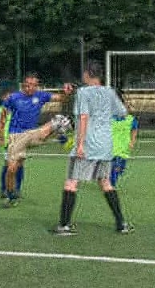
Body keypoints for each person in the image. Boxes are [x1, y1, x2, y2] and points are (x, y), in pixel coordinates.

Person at [54, 61, 130, 235]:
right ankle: (121, 223)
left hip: (88, 143)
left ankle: (64, 224)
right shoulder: (109, 92)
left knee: (72, 181)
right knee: (105, 182)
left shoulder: (83, 92)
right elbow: (122, 112)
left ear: (87, 74)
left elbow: (83, 117)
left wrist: (79, 144)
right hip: (105, 145)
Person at [1, 73, 74, 208]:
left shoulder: (41, 95)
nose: (31, 88)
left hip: (33, 134)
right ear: (23, 85)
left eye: (34, 85)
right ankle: (10, 194)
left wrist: (66, 92)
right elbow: (4, 111)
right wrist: (1, 133)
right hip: (16, 136)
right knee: (12, 168)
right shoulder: (14, 97)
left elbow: (61, 99)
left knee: (60, 120)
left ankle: (62, 138)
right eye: (28, 85)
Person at [110, 108, 139, 188]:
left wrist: (132, 141)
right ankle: (112, 183)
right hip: (112, 147)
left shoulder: (130, 119)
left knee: (120, 168)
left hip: (124, 148)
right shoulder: (110, 118)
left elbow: (134, 129)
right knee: (115, 165)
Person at [0, 89, 13, 201]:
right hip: (7, 140)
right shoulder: (2, 110)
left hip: (17, 139)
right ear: (3, 98)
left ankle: (15, 188)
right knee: (8, 165)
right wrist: (1, 137)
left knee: (19, 165)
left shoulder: (15, 109)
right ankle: (4, 189)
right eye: (8, 97)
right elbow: (0, 124)